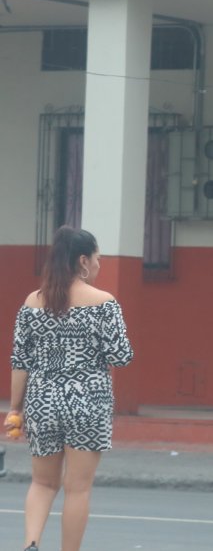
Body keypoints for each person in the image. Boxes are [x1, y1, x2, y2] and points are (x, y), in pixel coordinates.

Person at [4, 226, 133, 551]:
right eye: (98, 258)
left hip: (42, 401)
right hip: (88, 403)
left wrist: (15, 409)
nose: (100, 264)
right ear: (83, 261)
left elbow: (20, 362)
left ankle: (31, 543)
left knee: (42, 483)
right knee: (77, 489)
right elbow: (121, 355)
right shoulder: (104, 303)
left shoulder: (32, 302)